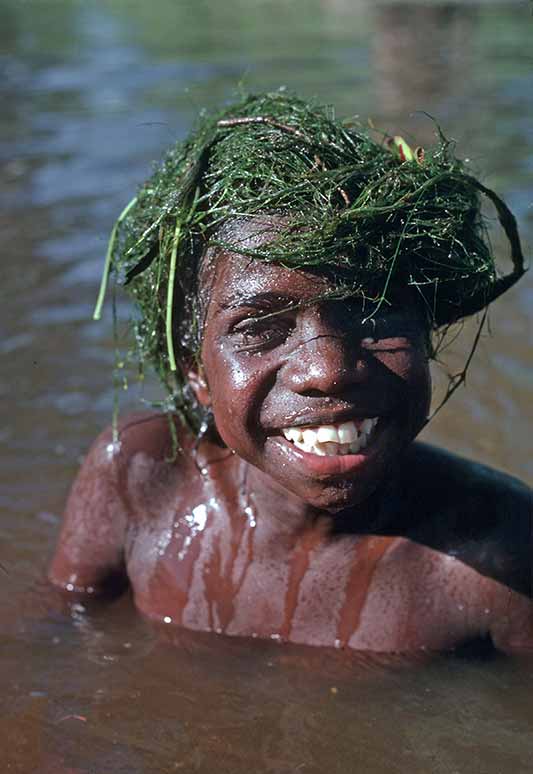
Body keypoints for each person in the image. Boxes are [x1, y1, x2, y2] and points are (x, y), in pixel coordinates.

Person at [48, 92, 532, 654]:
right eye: (260, 328)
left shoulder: (501, 561)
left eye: (373, 312)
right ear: (194, 371)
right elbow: (52, 648)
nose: (328, 371)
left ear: (427, 336)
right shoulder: (136, 480)